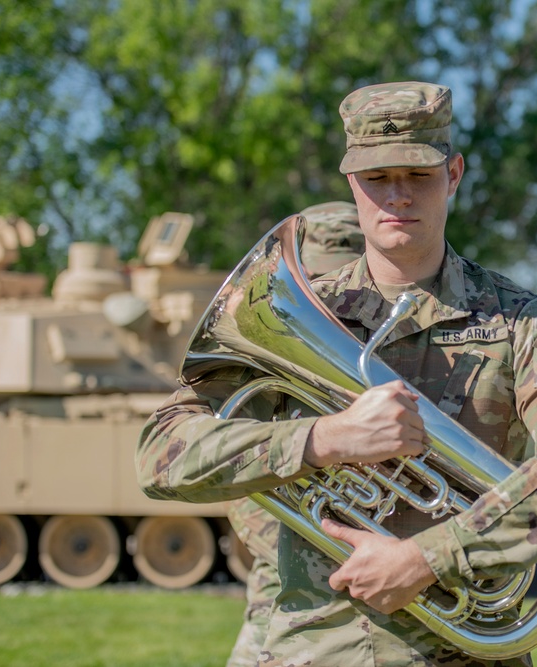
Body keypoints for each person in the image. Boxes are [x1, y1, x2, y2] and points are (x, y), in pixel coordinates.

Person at [135, 80, 537, 667]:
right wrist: (323, 439)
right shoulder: (289, 313)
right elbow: (160, 456)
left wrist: (430, 558)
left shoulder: (524, 322)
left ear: (455, 174)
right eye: (377, 177)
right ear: (351, 184)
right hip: (320, 649)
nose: (398, 196)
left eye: (419, 175)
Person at [224, 200, 365, 667]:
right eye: (315, 279)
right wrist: (308, 535)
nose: (327, 294)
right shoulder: (270, 349)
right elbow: (232, 455)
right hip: (287, 564)